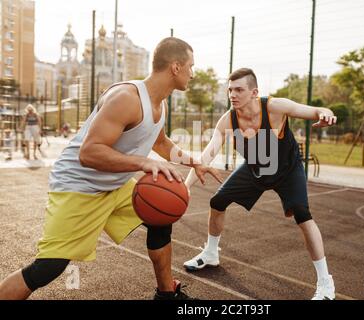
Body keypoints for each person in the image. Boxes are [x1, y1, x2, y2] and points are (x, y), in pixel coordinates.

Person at [0, 37, 221, 300]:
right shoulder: (126, 98)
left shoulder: (160, 103)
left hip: (114, 184)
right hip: (79, 187)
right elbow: (89, 152)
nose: (193, 74)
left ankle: (166, 294)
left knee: (161, 219)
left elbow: (160, 142)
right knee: (48, 268)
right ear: (175, 67)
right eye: (191, 67)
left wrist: (193, 161)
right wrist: (143, 162)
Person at [183, 68, 338, 300]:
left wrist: (325, 113)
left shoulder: (275, 107)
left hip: (287, 170)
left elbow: (313, 110)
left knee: (302, 214)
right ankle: (211, 253)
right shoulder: (228, 120)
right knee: (218, 201)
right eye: (229, 90)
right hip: (256, 169)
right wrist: (184, 189)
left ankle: (326, 284)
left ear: (254, 92)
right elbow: (206, 156)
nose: (232, 95)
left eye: (239, 90)